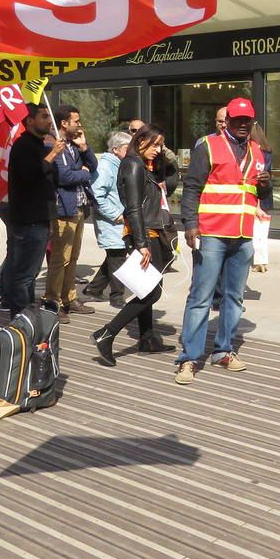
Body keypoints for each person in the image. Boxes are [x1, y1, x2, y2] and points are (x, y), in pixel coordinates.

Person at [174, 98, 269, 385]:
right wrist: (190, 224)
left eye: (246, 120)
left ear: (252, 122)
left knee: (234, 298)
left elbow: (257, 192)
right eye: (237, 120)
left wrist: (265, 187)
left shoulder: (257, 150)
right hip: (212, 233)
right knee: (201, 297)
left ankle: (223, 351)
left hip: (242, 236)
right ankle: (189, 358)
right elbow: (191, 187)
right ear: (226, 121)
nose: (242, 124)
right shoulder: (208, 145)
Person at [91, 124, 175, 365]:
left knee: (145, 287)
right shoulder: (133, 165)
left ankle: (147, 338)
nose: (158, 149)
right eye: (155, 144)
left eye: (162, 144)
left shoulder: (145, 165)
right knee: (153, 290)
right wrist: (141, 243)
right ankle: (106, 333)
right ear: (140, 142)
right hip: (144, 233)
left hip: (150, 231)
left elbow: (170, 184)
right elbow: (134, 206)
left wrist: (166, 158)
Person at [2, 104, 66, 317]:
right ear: (29, 121)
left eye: (49, 116)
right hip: (28, 221)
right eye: (44, 116)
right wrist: (53, 154)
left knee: (29, 273)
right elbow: (31, 175)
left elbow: (52, 177)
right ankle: (20, 319)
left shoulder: (40, 145)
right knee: (24, 275)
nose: (49, 121)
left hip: (41, 218)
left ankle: (25, 318)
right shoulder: (23, 146)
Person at [45, 105, 97, 323]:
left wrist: (84, 148)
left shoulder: (72, 145)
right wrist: (83, 173)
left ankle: (69, 298)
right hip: (62, 210)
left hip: (77, 208)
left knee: (72, 258)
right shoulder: (53, 145)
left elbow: (93, 166)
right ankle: (52, 302)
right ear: (64, 123)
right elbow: (64, 177)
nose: (80, 124)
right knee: (60, 260)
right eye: (76, 120)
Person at [81, 131, 132, 307]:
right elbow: (96, 195)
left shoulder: (118, 164)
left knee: (115, 254)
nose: (131, 151)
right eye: (128, 148)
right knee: (117, 255)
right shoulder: (105, 167)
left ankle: (94, 289)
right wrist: (116, 214)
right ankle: (117, 296)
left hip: (118, 219)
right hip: (111, 220)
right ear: (115, 149)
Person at [250, 123, 273, 274]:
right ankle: (262, 261)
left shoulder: (253, 150)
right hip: (266, 194)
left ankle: (259, 262)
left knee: (255, 232)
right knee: (262, 233)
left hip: (256, 195)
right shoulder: (268, 150)